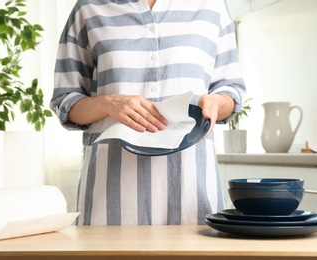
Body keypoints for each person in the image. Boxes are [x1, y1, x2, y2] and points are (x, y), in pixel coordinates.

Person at [50, 0, 246, 225]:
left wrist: (216, 103)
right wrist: (107, 103)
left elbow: (231, 90)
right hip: (111, 189)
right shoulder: (88, 8)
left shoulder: (212, 6)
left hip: (191, 185)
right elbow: (65, 101)